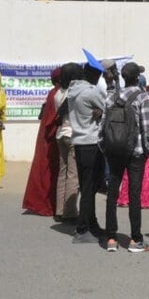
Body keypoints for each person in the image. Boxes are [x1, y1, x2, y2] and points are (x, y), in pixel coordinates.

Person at [101, 62, 149, 253]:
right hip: (136, 152)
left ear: (124, 77)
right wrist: (147, 149)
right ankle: (135, 239)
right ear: (136, 78)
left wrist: (106, 147)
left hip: (115, 151)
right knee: (134, 195)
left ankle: (111, 238)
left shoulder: (112, 96)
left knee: (112, 193)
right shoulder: (143, 97)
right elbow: (147, 129)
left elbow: (102, 126)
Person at [68, 62, 108, 243]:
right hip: (91, 142)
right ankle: (83, 228)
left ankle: (91, 223)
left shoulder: (73, 90)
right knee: (89, 187)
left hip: (79, 141)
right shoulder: (91, 92)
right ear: (94, 76)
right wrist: (100, 112)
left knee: (88, 186)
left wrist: (99, 111)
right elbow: (110, 106)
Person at [22, 67, 63, 217]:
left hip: (47, 137)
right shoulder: (56, 93)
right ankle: (46, 204)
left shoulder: (54, 92)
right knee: (49, 172)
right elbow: (53, 118)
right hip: (51, 138)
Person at [116, 73, 149, 210]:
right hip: (142, 140)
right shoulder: (147, 97)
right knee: (146, 170)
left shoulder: (122, 95)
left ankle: (124, 198)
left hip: (124, 139)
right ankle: (145, 199)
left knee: (127, 171)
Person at [54, 63, 80, 222]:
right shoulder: (74, 93)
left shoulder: (58, 93)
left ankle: (59, 210)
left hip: (61, 134)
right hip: (72, 134)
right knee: (73, 175)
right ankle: (70, 212)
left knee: (62, 173)